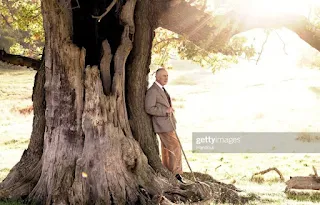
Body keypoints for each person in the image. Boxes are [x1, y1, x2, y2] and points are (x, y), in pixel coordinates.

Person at [145, 67, 185, 183]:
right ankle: (177, 174)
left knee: (167, 149)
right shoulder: (153, 91)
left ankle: (169, 171)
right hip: (163, 125)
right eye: (163, 76)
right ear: (157, 77)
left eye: (167, 76)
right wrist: (165, 111)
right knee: (175, 147)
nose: (166, 78)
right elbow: (149, 108)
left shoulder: (162, 89)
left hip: (168, 124)